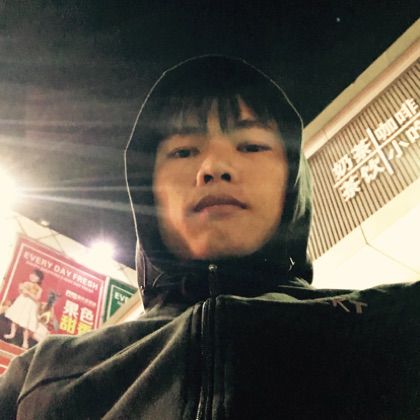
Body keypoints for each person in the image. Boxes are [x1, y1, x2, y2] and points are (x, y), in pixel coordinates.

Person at [0, 56, 419, 419]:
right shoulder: (40, 375)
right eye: (184, 151)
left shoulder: (397, 326)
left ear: (292, 180)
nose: (215, 167)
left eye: (251, 146)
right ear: (149, 190)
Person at [3, 269, 44, 349]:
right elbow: (21, 292)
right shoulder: (26, 283)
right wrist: (21, 289)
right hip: (21, 303)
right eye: (32, 274)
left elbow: (37, 298)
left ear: (39, 279)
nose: (33, 276)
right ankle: (12, 334)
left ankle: (25, 341)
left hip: (29, 306)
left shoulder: (39, 288)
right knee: (15, 320)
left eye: (36, 276)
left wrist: (28, 293)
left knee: (25, 325)